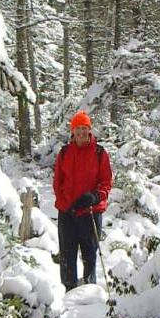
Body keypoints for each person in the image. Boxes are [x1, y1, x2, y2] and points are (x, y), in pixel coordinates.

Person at [53, 111, 113, 292]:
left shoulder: (99, 152)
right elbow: (58, 182)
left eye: (84, 128)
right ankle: (69, 289)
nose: (81, 132)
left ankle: (89, 290)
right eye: (77, 128)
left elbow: (106, 181)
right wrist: (66, 205)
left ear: (89, 130)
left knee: (90, 254)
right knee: (67, 255)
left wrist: (96, 197)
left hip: (91, 212)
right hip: (67, 213)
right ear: (72, 131)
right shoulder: (64, 153)